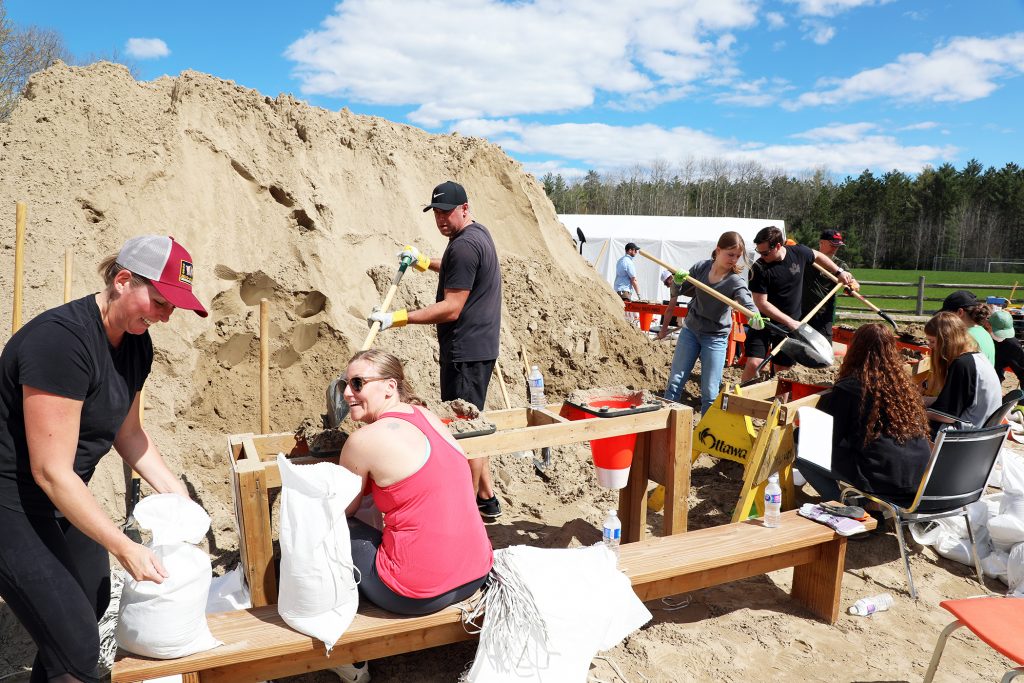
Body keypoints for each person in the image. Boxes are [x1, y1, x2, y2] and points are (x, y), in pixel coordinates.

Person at [0, 235, 206, 683]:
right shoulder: (60, 343)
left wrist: (181, 502)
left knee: (91, 600)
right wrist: (124, 546)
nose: (165, 317)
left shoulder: (136, 345)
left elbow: (128, 434)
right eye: (158, 302)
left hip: (56, 495)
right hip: (11, 499)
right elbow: (49, 470)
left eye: (173, 308)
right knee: (77, 647)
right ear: (123, 280)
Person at [368, 180, 503, 520]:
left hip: (465, 353)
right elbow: (460, 271)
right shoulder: (476, 236)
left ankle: (464, 512)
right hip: (478, 348)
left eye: (447, 213)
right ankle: (486, 499)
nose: (442, 220)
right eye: (437, 214)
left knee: (464, 431)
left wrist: (396, 318)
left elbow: (452, 306)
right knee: (472, 423)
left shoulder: (463, 246)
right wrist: (424, 262)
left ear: (465, 209)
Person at [339, 350, 493, 617]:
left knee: (337, 528)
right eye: (345, 385)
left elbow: (340, 510)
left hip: (414, 595)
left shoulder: (362, 441)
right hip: (476, 572)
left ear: (390, 387)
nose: (346, 393)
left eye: (357, 383)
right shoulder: (426, 415)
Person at [795, 324, 931, 507]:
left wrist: (799, 432)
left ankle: (845, 508)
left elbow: (826, 439)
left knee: (805, 452)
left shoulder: (851, 387)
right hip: (917, 476)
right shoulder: (903, 386)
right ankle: (862, 502)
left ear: (855, 350)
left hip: (882, 477)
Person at [655, 231, 764, 414]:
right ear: (718, 250)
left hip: (715, 338)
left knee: (710, 391)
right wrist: (678, 281)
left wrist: (755, 317)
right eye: (730, 254)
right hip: (691, 330)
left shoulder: (735, 282)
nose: (734, 260)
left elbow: (748, 303)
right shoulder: (701, 268)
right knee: (675, 381)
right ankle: (665, 423)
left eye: (737, 256)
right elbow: (679, 291)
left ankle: (704, 432)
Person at [741, 226, 856, 382]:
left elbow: (817, 256)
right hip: (764, 323)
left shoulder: (798, 253)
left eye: (766, 252)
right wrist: (791, 322)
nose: (762, 256)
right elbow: (761, 303)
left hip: (790, 326)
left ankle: (780, 404)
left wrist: (838, 272)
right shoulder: (759, 268)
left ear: (778, 246)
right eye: (759, 252)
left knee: (783, 370)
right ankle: (739, 400)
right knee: (754, 363)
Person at [922, 311, 1001, 434]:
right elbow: (957, 401)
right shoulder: (977, 356)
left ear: (947, 340)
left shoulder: (962, 364)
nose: (930, 346)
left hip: (966, 435)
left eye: (932, 341)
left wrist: (913, 411)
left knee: (905, 422)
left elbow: (947, 415)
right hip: (982, 430)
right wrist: (924, 401)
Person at [801, 229, 856, 344]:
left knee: (824, 347)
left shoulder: (840, 265)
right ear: (821, 242)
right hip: (800, 311)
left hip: (823, 313)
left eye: (838, 246)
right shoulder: (807, 258)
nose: (835, 248)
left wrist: (852, 287)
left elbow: (853, 283)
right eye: (832, 245)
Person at [940, 290, 996, 365]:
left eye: (947, 315)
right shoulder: (983, 332)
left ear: (960, 312)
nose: (945, 319)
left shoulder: (962, 337)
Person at [990, 309, 1024, 389]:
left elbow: (1022, 371)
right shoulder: (979, 337)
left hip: (995, 383)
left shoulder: (1012, 345)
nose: (1001, 336)